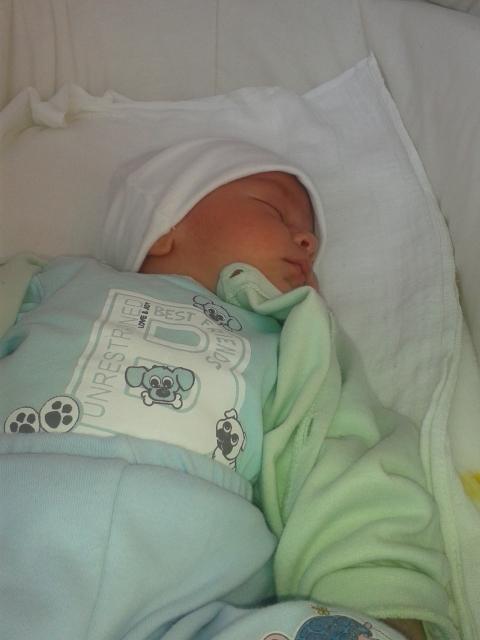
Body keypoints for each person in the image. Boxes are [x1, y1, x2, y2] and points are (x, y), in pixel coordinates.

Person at [0, 139, 454, 640]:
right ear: (164, 229)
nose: (307, 241)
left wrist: (377, 593)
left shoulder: (295, 339)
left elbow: (342, 456)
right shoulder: (55, 282)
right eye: (275, 210)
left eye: (310, 238)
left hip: (194, 586)